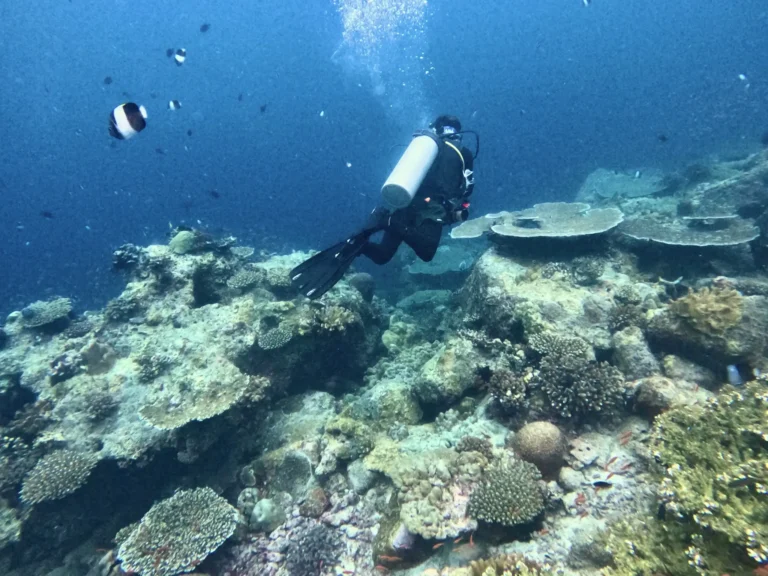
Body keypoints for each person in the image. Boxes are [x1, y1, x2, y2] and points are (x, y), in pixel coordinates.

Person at [291, 114, 478, 299]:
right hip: (432, 209)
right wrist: (458, 208)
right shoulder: (464, 153)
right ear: (458, 132)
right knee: (426, 253)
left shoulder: (427, 147)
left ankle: (363, 239)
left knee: (382, 256)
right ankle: (385, 221)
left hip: (405, 202)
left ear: (435, 128)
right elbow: (466, 188)